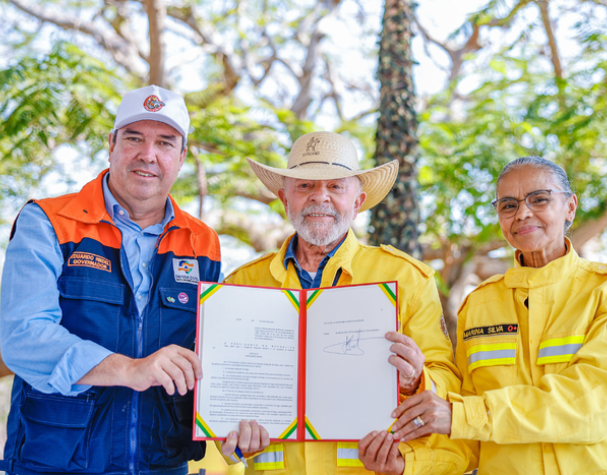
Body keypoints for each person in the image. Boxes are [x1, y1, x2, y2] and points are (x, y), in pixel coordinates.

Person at [216, 131, 471, 475]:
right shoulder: (241, 284)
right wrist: (232, 441)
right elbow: (224, 397)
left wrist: (416, 380)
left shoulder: (407, 277)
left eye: (336, 186)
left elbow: (448, 381)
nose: (320, 197)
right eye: (304, 186)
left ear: (358, 200)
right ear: (283, 197)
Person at [0, 85, 222, 475]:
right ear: (112, 144)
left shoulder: (203, 242)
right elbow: (22, 336)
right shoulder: (48, 222)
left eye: (165, 143)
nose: (148, 155)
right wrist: (129, 368)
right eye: (134, 138)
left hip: (162, 464)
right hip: (54, 462)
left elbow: (211, 356)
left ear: (182, 157)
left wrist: (237, 422)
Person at [389, 156, 607, 474]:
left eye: (539, 199)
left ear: (570, 207)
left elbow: (592, 407)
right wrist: (409, 464)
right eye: (508, 205)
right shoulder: (479, 305)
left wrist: (463, 416)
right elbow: (467, 435)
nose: (523, 213)